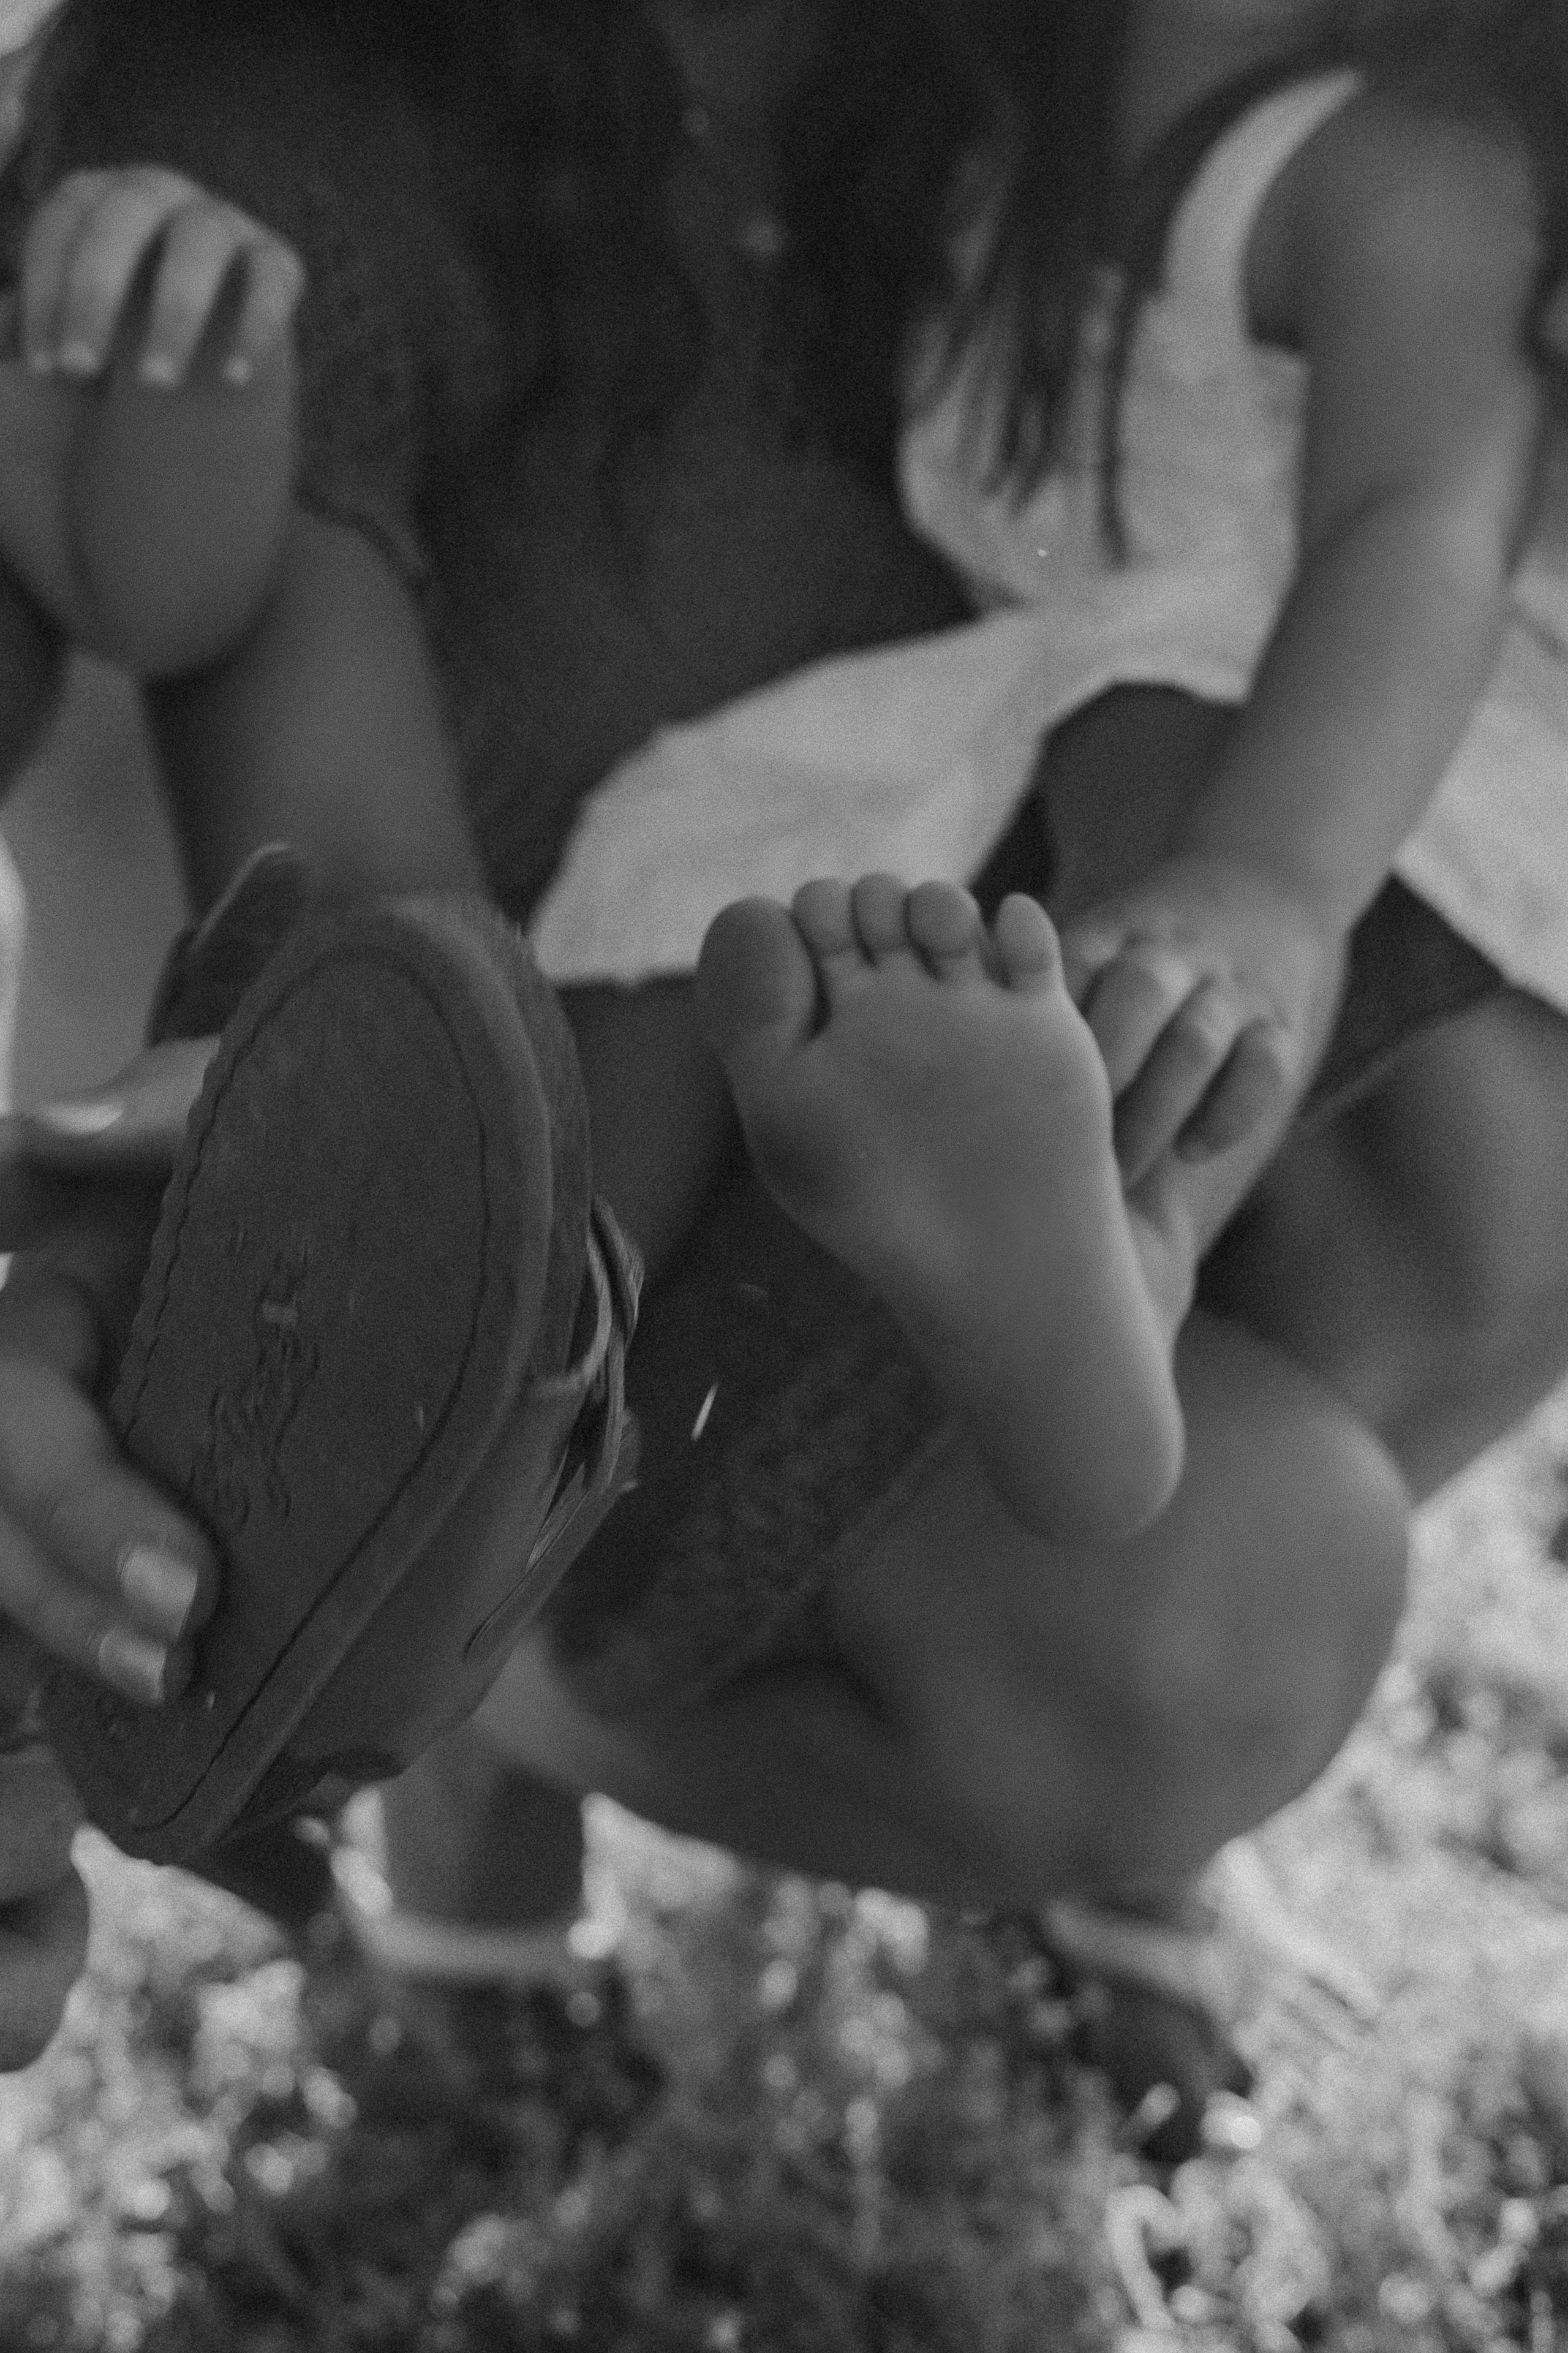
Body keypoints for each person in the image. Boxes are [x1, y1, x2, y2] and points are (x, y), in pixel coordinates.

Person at [0, 0, 1558, 2139]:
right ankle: (455, 1673)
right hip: (606, 1058)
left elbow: (1402, 505)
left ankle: (1059, 1403)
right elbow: (375, 947)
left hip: (926, 969)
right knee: (1214, 1575)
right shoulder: (264, 129)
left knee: (1485, 1126)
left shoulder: (1076, 66)